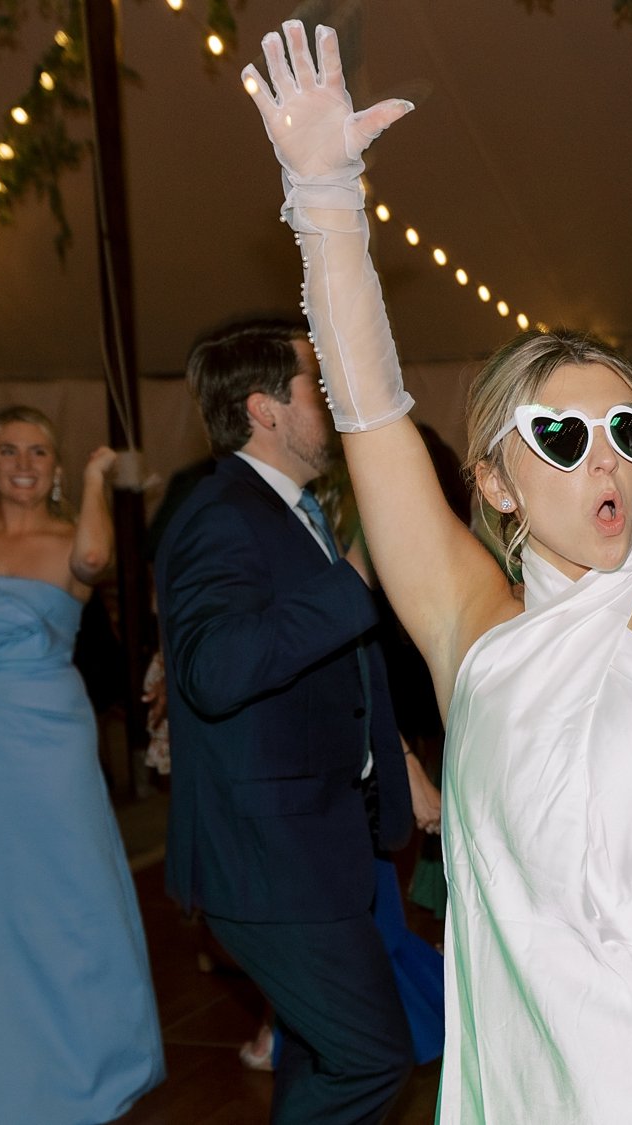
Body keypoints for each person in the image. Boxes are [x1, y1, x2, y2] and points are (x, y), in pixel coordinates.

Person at [243, 22, 632, 1121]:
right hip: (545, 1087)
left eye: (629, 430)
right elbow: (371, 412)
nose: (609, 461)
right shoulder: (469, 632)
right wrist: (326, 199)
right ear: (494, 482)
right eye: (564, 440)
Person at [154, 316, 416, 1124]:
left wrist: (392, 765)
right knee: (372, 1058)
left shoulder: (288, 508)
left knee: (318, 1052)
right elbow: (214, 669)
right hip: (266, 855)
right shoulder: (220, 512)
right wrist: (353, 581)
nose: (331, 404)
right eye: (317, 387)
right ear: (265, 408)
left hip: (309, 840)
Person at [0, 405, 164, 1123]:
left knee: (72, 904)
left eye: (38, 452)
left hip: (53, 744)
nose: (22, 462)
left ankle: (91, 1068)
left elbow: (94, 562)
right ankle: (12, 1083)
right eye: (8, 450)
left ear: (55, 465)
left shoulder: (72, 536)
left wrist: (98, 479)